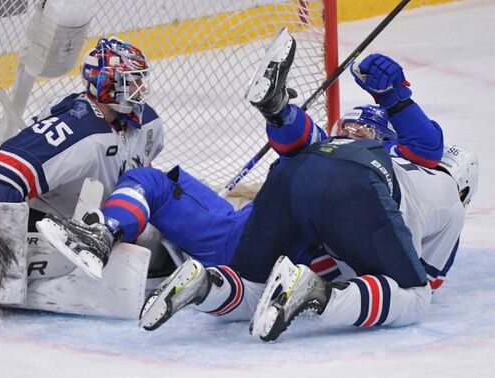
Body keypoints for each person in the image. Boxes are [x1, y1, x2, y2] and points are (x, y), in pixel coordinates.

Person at [135, 33, 478, 339]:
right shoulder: (435, 188)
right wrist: (395, 99)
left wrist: (283, 114)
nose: (356, 133)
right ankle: (318, 293)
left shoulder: (359, 150)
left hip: (293, 177)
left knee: (252, 292)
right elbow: (424, 277)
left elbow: (306, 142)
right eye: (354, 128)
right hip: (354, 190)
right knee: (415, 298)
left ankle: (203, 282)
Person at [0, 36, 164, 224]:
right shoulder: (80, 127)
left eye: (141, 79)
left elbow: (138, 166)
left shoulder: (147, 121)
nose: (142, 88)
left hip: (104, 226)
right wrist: (3, 244)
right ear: (107, 84)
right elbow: (7, 171)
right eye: (132, 81)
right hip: (50, 226)